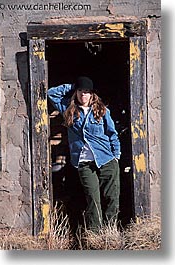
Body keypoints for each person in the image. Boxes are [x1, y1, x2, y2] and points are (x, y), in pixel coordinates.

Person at [47, 76, 121, 232]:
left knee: (111, 197)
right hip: (84, 163)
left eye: (87, 92)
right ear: (76, 93)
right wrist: (72, 86)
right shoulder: (69, 109)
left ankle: (110, 232)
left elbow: (112, 133)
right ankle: (96, 234)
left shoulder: (102, 110)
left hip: (106, 159)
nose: (83, 95)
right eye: (80, 91)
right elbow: (51, 93)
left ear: (92, 94)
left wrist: (116, 154)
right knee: (93, 199)